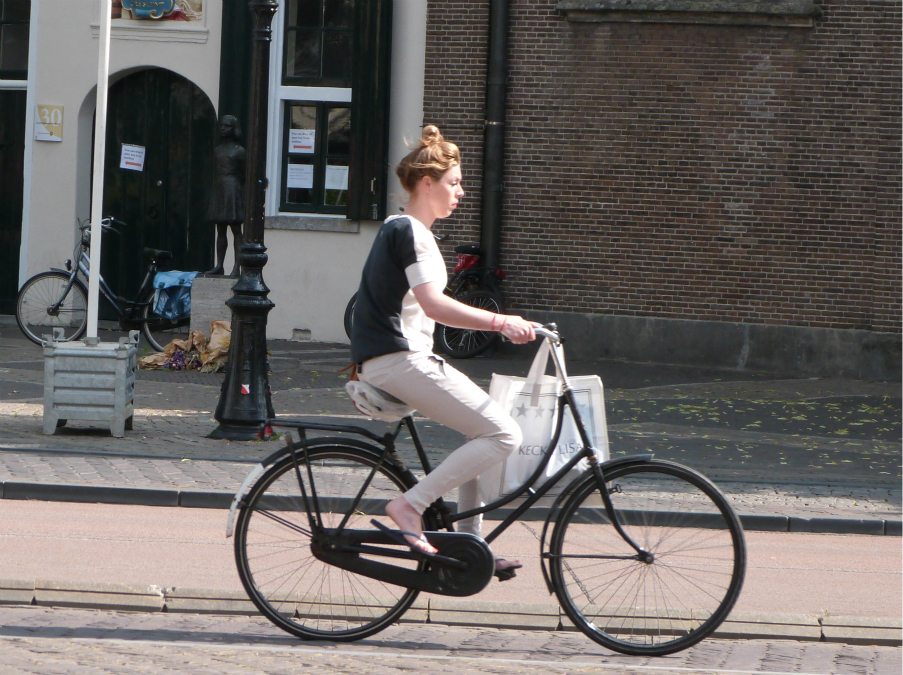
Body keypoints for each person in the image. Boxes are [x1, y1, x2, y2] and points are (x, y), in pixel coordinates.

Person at [350, 125, 536, 579]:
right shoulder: (413, 233)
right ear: (426, 184)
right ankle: (410, 506)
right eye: (454, 183)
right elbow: (434, 304)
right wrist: (500, 322)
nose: (461, 192)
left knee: (483, 436)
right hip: (401, 360)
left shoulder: (397, 229)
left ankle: (468, 547)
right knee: (504, 434)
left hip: (391, 360)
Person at [205, 115, 245, 277]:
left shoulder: (240, 151)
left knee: (236, 229)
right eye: (221, 125)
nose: (223, 129)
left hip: (232, 190)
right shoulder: (217, 151)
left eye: (227, 126)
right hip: (220, 189)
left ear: (234, 129)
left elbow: (244, 174)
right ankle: (219, 264)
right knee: (220, 229)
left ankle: (237, 266)